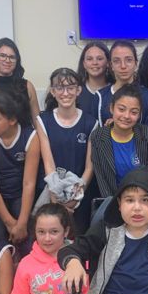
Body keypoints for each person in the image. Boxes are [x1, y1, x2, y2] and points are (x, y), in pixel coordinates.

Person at [0, 89, 40, 259]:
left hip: (20, 194)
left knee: (28, 239)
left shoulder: (30, 137)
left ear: (12, 120)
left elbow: (29, 184)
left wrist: (22, 223)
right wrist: (10, 223)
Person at [36, 67, 98, 233]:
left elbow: (89, 167)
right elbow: (48, 162)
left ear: (78, 90)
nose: (65, 93)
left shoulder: (91, 123)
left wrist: (76, 196)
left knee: (77, 238)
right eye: (60, 88)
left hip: (80, 195)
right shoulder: (43, 120)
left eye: (70, 88)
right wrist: (55, 197)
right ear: (53, 91)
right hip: (51, 193)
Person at [90, 84, 148, 198]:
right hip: (114, 200)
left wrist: (136, 202)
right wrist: (116, 204)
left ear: (139, 115)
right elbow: (102, 179)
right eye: (121, 109)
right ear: (111, 108)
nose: (127, 116)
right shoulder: (98, 137)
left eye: (134, 112)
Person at [96, 40, 148, 127]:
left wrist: (121, 127)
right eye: (117, 61)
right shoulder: (99, 97)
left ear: (135, 63)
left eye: (128, 60)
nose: (123, 66)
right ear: (111, 65)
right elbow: (94, 133)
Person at [0, 37, 40, 120]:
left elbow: (37, 120)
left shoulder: (27, 86)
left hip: (24, 128)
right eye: (2, 56)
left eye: (12, 57)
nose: (7, 60)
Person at [77, 41, 111, 120]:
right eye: (89, 59)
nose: (94, 63)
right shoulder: (75, 91)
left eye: (99, 59)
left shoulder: (115, 90)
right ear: (84, 64)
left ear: (108, 63)